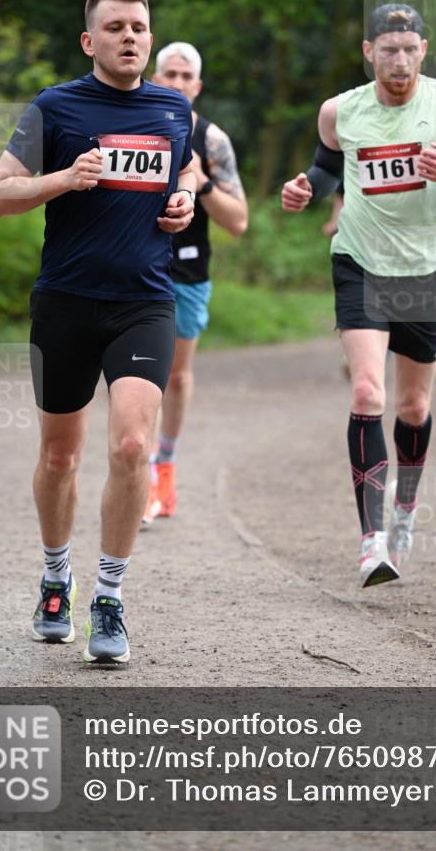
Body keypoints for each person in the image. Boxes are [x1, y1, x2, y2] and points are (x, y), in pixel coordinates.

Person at [0, 0, 196, 662]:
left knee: (132, 446)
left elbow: (186, 171)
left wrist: (184, 201)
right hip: (66, 302)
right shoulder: (54, 106)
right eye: (115, 27)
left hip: (145, 302)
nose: (129, 37)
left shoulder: (173, 108)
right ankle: (56, 580)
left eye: (139, 26)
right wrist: (63, 179)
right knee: (60, 456)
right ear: (89, 40)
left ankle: (108, 598)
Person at [282, 2, 436, 588]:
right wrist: (307, 189)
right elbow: (327, 169)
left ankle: (405, 507)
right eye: (389, 50)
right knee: (366, 391)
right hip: (360, 263)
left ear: (423, 51)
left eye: (409, 50)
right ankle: (371, 540)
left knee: (412, 407)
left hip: (427, 272)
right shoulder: (340, 111)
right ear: (369, 52)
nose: (400, 61)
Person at [141, 42, 247, 525]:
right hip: (134, 264)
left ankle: (165, 465)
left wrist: (201, 183)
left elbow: (238, 221)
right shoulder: (133, 125)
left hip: (187, 270)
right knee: (141, 376)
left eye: (186, 77)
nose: (178, 83)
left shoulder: (212, 139)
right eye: (170, 74)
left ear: (198, 86)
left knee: (176, 376)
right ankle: (140, 476)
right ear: (154, 78)